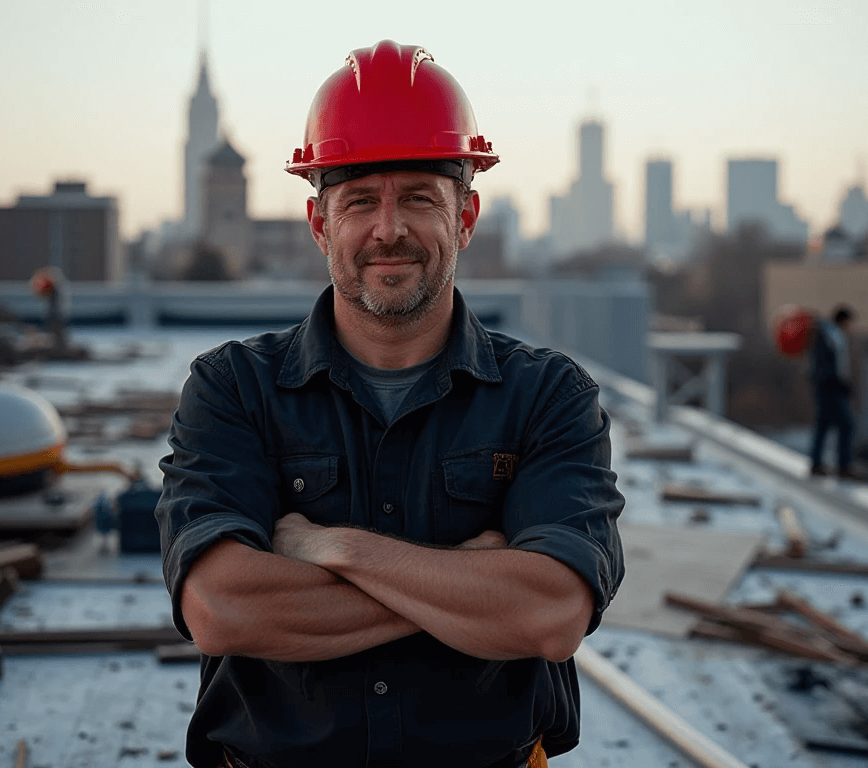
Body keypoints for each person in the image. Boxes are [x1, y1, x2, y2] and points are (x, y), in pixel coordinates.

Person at [156, 40, 625, 768]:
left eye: (417, 197)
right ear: (320, 224)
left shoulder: (549, 397)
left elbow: (552, 613)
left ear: (464, 218)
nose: (388, 229)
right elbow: (222, 607)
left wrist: (334, 548)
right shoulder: (233, 390)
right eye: (359, 200)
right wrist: (472, 583)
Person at [809, 304, 857, 478]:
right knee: (846, 426)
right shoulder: (831, 337)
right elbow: (828, 366)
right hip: (831, 389)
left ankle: (816, 464)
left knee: (823, 426)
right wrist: (840, 384)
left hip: (828, 388)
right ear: (843, 320)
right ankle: (843, 466)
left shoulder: (830, 336)